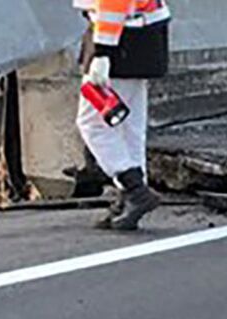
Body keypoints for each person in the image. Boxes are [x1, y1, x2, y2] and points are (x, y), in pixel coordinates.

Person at [74, 0, 171, 231]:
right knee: (130, 126)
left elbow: (114, 3)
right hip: (141, 32)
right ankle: (130, 198)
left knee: (91, 123)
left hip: (120, 37)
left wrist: (102, 53)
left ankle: (134, 189)